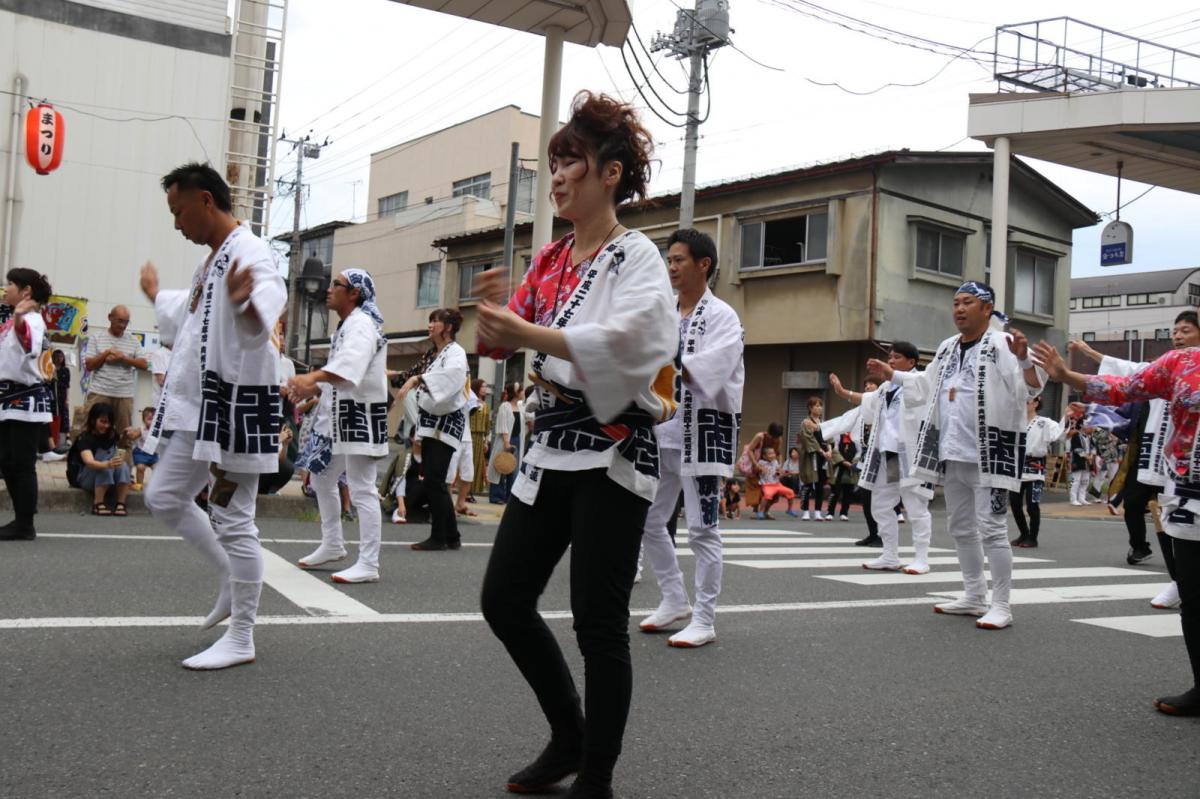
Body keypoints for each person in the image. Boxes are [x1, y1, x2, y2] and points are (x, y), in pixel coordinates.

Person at [475, 91, 677, 799]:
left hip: (614, 449)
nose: (557, 177)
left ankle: (596, 776)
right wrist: (494, 316)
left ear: (611, 174)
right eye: (554, 164)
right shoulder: (553, 258)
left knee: (598, 621)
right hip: (552, 443)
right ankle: (570, 732)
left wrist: (523, 332)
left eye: (572, 163)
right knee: (504, 597)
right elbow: (497, 343)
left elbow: (632, 342)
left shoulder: (637, 257)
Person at [139, 162, 287, 670]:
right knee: (162, 495)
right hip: (203, 408)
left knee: (232, 516)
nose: (177, 225)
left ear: (206, 200)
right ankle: (228, 574)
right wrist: (156, 295)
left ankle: (242, 634)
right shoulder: (213, 260)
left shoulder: (249, 250)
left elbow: (268, 298)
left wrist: (248, 308)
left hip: (236, 404)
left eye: (179, 212)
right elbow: (191, 313)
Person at [1034, 337, 1200, 716]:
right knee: (1194, 597)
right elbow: (1125, 388)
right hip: (1192, 493)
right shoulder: (1183, 362)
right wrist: (1066, 375)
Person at [868, 282, 1042, 630]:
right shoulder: (947, 348)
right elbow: (924, 386)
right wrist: (893, 374)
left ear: (987, 308)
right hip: (953, 450)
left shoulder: (1002, 344)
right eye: (956, 303)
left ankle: (1002, 604)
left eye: (968, 303)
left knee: (992, 529)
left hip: (991, 452)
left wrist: (1024, 357)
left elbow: (1031, 387)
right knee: (960, 527)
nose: (959, 309)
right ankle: (974, 595)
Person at [638, 227, 744, 648]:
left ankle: (705, 617)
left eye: (679, 259)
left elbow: (712, 370)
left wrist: (667, 361)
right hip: (661, 429)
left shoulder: (722, 316)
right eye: (669, 260)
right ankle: (674, 599)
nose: (671, 267)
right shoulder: (664, 313)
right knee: (648, 518)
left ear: (704, 264)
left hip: (701, 431)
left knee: (702, 530)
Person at [1070, 315, 1200, 570]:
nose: (1178, 336)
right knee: (1152, 508)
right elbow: (1126, 377)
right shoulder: (1168, 367)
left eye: (1185, 330)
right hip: (1155, 455)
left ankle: (1180, 578)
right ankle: (1163, 565)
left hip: (1188, 459)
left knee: (1177, 516)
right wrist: (1086, 360)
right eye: (1175, 331)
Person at [286, 268, 390, 582]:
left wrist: (312, 378)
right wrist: (313, 387)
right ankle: (333, 544)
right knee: (322, 478)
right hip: (342, 417)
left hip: (360, 415)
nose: (329, 289)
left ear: (354, 293)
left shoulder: (361, 324)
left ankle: (369, 564)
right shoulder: (348, 326)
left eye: (337, 284)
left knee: (362, 488)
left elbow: (349, 369)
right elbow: (339, 375)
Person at [832, 341, 935, 574]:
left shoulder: (921, 379)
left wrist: (893, 375)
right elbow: (867, 401)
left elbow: (923, 395)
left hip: (911, 452)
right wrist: (842, 392)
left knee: (915, 504)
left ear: (912, 362)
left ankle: (922, 557)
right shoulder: (886, 387)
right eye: (890, 357)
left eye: (897, 357)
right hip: (887, 452)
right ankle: (890, 554)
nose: (891, 361)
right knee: (881, 503)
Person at [395, 307, 468, 551]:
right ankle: (451, 536)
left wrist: (419, 380)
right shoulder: (432, 355)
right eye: (430, 321)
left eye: (435, 321)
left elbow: (451, 379)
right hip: (430, 423)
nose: (430, 325)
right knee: (434, 482)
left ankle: (439, 537)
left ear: (448, 327)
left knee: (435, 481)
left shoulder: (455, 353)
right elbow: (408, 375)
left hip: (445, 423)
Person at [0, 268, 54, 540]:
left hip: (24, 398)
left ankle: (25, 523)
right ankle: (21, 519)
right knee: (7, 462)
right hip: (7, 399)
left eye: (10, 284)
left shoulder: (31, 319)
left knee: (21, 463)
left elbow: (28, 345)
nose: (5, 288)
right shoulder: (11, 319)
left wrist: (19, 315)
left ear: (26, 292)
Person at [82, 304, 148, 450]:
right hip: (100, 391)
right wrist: (106, 354)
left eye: (126, 322)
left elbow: (144, 365)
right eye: (120, 321)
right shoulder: (97, 337)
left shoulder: (132, 340)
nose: (123, 325)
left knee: (125, 433)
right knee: (90, 428)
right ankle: (86, 464)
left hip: (124, 394)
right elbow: (89, 365)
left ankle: (123, 469)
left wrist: (122, 357)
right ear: (110, 318)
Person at [1010, 396, 1064, 548]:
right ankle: (1024, 533)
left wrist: (1069, 415)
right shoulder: (1016, 421)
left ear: (1035, 403)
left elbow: (1058, 433)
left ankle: (1033, 538)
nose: (1024, 404)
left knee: (1032, 505)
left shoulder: (1044, 422)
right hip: (1016, 468)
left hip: (1035, 468)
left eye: (1027, 401)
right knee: (1014, 503)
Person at [75, 402, 133, 516]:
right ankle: (98, 503)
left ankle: (121, 503)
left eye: (109, 422)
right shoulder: (85, 438)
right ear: (93, 420)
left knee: (123, 466)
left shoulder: (111, 434)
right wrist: (107, 465)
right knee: (104, 467)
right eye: (103, 421)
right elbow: (89, 462)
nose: (106, 426)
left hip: (108, 478)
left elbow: (119, 449)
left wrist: (126, 436)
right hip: (87, 478)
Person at [487, 382, 524, 504]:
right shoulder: (505, 406)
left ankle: (510, 497)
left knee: (513, 470)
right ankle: (496, 496)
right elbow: (503, 425)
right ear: (516, 393)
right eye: (521, 391)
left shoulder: (521, 406)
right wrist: (507, 442)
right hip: (506, 440)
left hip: (517, 440)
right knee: (500, 467)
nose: (523, 393)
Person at [797, 397, 831, 520]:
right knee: (809, 483)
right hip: (811, 456)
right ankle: (805, 510)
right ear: (810, 408)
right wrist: (821, 451)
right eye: (816, 406)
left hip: (823, 457)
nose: (819, 408)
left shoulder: (823, 423)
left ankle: (817, 511)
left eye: (820, 406)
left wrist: (829, 450)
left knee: (821, 484)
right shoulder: (806, 422)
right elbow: (808, 439)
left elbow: (829, 438)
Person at [740, 423, 783, 512]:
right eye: (773, 436)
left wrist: (779, 466)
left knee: (773, 490)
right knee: (756, 488)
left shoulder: (779, 439)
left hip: (770, 469)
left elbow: (779, 454)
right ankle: (757, 509)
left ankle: (765, 511)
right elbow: (750, 450)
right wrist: (756, 464)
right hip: (757, 466)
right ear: (769, 433)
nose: (775, 439)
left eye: (776, 437)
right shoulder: (760, 436)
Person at [755, 446, 795, 519]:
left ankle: (789, 509)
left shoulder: (775, 462)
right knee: (767, 495)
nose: (773, 455)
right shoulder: (761, 462)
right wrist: (761, 469)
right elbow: (757, 469)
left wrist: (779, 472)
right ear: (764, 456)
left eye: (773, 453)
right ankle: (760, 512)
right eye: (770, 454)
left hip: (777, 484)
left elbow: (778, 473)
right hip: (767, 485)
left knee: (791, 492)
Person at [826, 433, 858, 521]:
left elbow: (860, 452)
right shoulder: (837, 437)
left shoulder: (857, 437)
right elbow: (834, 450)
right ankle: (830, 512)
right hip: (839, 467)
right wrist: (843, 462)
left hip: (851, 467)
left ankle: (844, 513)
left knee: (848, 492)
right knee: (835, 491)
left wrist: (853, 463)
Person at [469, 378, 491, 496]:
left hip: (480, 437)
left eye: (485, 387)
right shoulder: (470, 402)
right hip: (469, 435)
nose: (485, 389)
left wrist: (486, 441)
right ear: (477, 388)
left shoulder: (486, 405)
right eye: (483, 386)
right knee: (468, 463)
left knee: (478, 464)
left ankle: (472, 491)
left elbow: (488, 424)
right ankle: (466, 491)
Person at [1066, 415, 1093, 506]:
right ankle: (1073, 499)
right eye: (1088, 424)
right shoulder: (1076, 436)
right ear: (1082, 425)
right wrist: (1087, 456)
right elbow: (1076, 449)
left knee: (1085, 480)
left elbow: (1093, 447)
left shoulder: (1089, 437)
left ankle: (1082, 498)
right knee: (1076, 480)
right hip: (1078, 461)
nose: (1090, 426)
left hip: (1087, 461)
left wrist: (1092, 455)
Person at [130, 406, 159, 489]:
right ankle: (139, 484)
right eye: (149, 419)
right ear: (144, 420)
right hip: (141, 453)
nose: (152, 421)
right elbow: (133, 436)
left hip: (153, 454)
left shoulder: (158, 431)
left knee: (157, 468)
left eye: (154, 419)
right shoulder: (142, 429)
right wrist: (131, 434)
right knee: (140, 468)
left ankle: (156, 486)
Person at [49, 348, 71, 449]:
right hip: (52, 394)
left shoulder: (66, 370)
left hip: (62, 396)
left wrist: (67, 399)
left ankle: (64, 438)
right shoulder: (49, 368)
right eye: (57, 357)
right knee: (52, 415)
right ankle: (51, 438)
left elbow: (67, 386)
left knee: (64, 415)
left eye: (61, 357)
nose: (59, 359)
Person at [149, 344, 171, 410]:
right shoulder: (159, 354)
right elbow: (162, 381)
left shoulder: (180, 353)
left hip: (176, 403)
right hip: (161, 402)